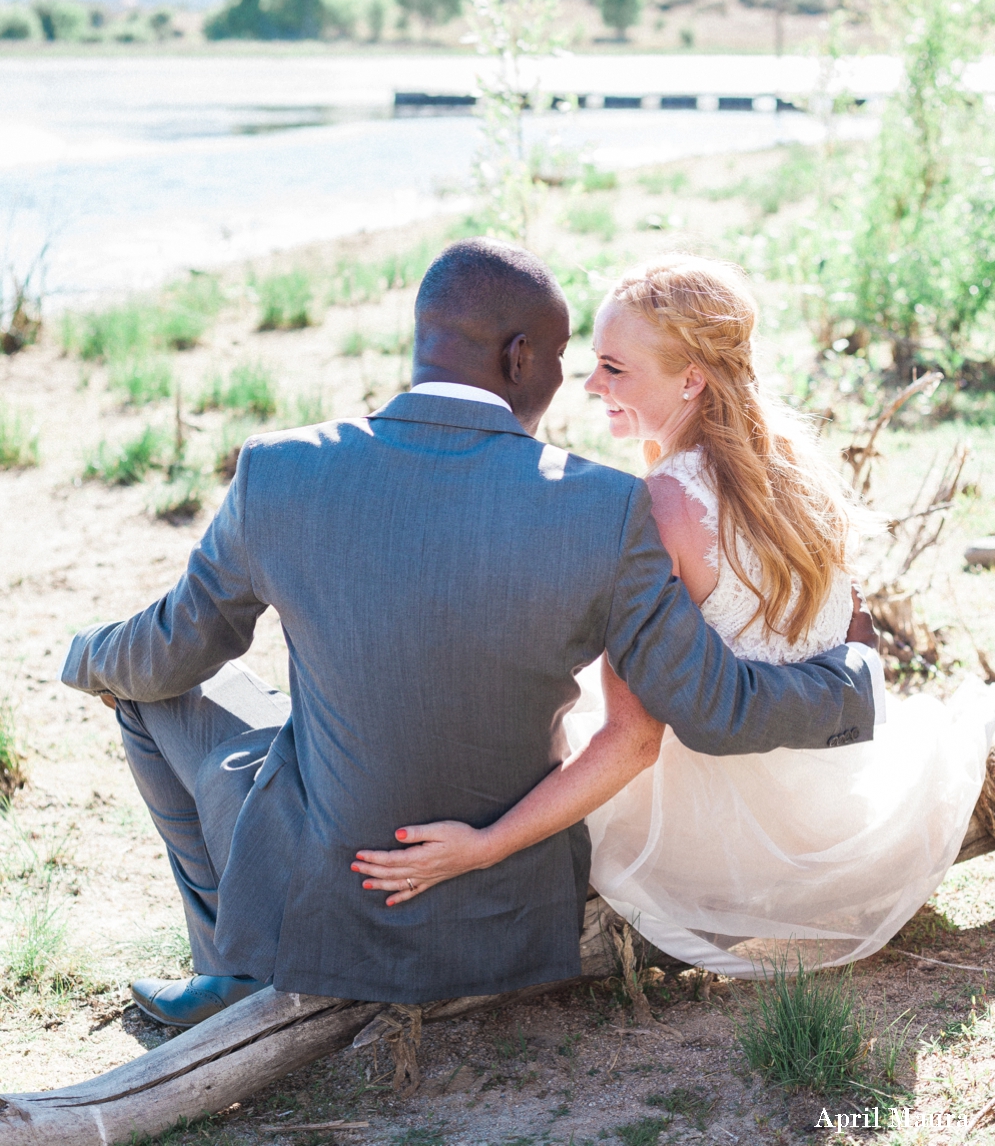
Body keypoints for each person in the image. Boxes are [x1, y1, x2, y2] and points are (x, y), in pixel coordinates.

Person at [62, 241, 881, 1028]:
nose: (581, 384)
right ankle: (232, 965)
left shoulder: (278, 470)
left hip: (338, 884)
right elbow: (705, 706)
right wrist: (852, 681)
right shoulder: (605, 507)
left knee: (143, 692)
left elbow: (167, 649)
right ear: (523, 359)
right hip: (508, 916)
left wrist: (84, 656)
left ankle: (231, 963)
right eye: (569, 360)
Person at [356, 254, 995, 977]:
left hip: (730, 828)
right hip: (830, 798)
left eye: (614, 368)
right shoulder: (788, 466)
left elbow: (634, 743)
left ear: (690, 379)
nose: (591, 384)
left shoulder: (663, 504)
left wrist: (486, 844)